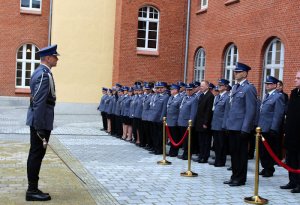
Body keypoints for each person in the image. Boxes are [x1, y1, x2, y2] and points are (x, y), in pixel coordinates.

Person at [25, 45, 59, 201]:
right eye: (55, 56)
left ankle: (33, 188)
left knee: (37, 154)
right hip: (41, 121)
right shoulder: (44, 75)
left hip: (42, 119)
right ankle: (32, 190)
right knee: (36, 154)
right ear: (47, 58)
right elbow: (38, 101)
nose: (57, 59)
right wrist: (39, 127)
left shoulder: (43, 72)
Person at [222, 62, 257, 186]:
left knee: (241, 154)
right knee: (234, 153)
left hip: (241, 128)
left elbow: (251, 110)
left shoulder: (249, 88)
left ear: (245, 73)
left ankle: (240, 178)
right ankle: (234, 176)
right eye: (235, 72)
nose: (235, 74)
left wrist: (246, 128)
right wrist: (227, 124)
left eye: (238, 72)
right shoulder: (235, 88)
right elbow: (231, 108)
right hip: (232, 126)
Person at [258, 76, 285, 177]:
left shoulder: (278, 96)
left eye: (269, 84)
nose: (267, 85)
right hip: (262, 127)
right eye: (266, 84)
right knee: (262, 151)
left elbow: (278, 114)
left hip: (269, 128)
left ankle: (269, 169)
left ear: (274, 85)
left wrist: (274, 128)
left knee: (269, 150)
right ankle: (265, 167)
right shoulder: (267, 95)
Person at [280, 71, 300, 193]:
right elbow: (290, 113)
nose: (295, 79)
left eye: (298, 78)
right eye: (295, 77)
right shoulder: (293, 93)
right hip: (292, 132)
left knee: (298, 159)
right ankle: (292, 181)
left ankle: (299, 183)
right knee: (291, 158)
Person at [211, 79, 230, 167]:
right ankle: (217, 159)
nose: (219, 87)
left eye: (221, 85)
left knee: (222, 144)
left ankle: (221, 161)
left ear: (226, 87)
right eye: (218, 85)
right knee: (217, 144)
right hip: (215, 124)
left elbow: (227, 113)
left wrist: (224, 125)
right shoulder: (218, 97)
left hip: (222, 125)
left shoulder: (227, 97)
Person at [194, 80, 215, 163]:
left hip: (205, 123)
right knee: (201, 141)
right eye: (200, 86)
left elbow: (208, 111)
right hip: (199, 122)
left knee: (206, 141)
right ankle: (201, 155)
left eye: (202, 86)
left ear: (207, 86)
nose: (201, 88)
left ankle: (205, 157)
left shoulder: (210, 96)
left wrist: (206, 123)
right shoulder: (202, 95)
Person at [177, 83, 198, 160]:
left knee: (188, 140)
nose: (188, 91)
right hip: (182, 121)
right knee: (184, 140)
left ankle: (187, 154)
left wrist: (190, 123)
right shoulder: (185, 98)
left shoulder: (194, 99)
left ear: (193, 90)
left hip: (187, 123)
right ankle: (184, 153)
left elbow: (193, 112)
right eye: (187, 90)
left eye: (190, 90)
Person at [166, 84, 183, 157]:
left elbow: (180, 110)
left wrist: (178, 120)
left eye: (172, 89)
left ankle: (174, 151)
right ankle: (171, 150)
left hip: (175, 120)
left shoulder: (180, 98)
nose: (170, 91)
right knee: (171, 137)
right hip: (169, 120)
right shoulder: (171, 98)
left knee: (175, 137)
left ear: (176, 90)